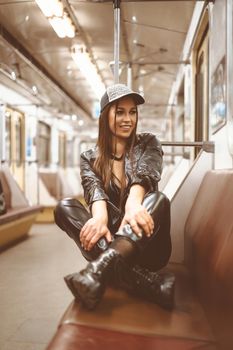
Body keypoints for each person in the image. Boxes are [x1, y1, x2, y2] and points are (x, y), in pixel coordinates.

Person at [54, 83, 175, 311]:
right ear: (105, 115)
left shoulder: (149, 142)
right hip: (109, 242)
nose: (128, 118)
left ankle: (97, 270)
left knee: (158, 199)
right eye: (120, 112)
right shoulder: (89, 158)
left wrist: (133, 203)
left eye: (132, 112)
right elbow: (94, 193)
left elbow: (145, 176)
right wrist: (99, 218)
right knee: (64, 207)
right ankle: (148, 283)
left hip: (148, 246)